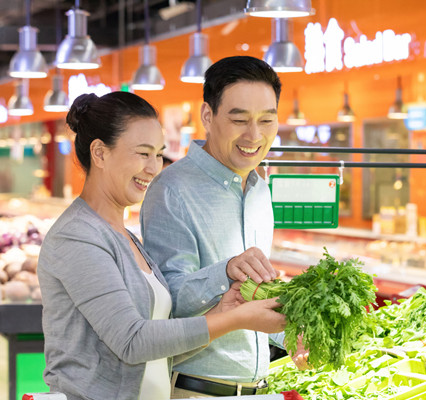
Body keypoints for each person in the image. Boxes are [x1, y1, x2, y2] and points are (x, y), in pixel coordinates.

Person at [38, 91, 286, 400]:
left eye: (158, 154)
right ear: (99, 153)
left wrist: (223, 310)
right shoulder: (77, 236)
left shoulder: (128, 238)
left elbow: (156, 356)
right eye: (143, 154)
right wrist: (234, 319)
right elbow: (132, 342)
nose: (154, 168)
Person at [141, 56, 308, 398]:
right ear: (208, 116)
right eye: (239, 119)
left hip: (259, 389)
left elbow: (252, 305)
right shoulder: (171, 189)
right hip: (197, 390)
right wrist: (225, 272)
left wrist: (292, 332)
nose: (254, 135)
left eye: (266, 120)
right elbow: (163, 301)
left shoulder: (260, 190)